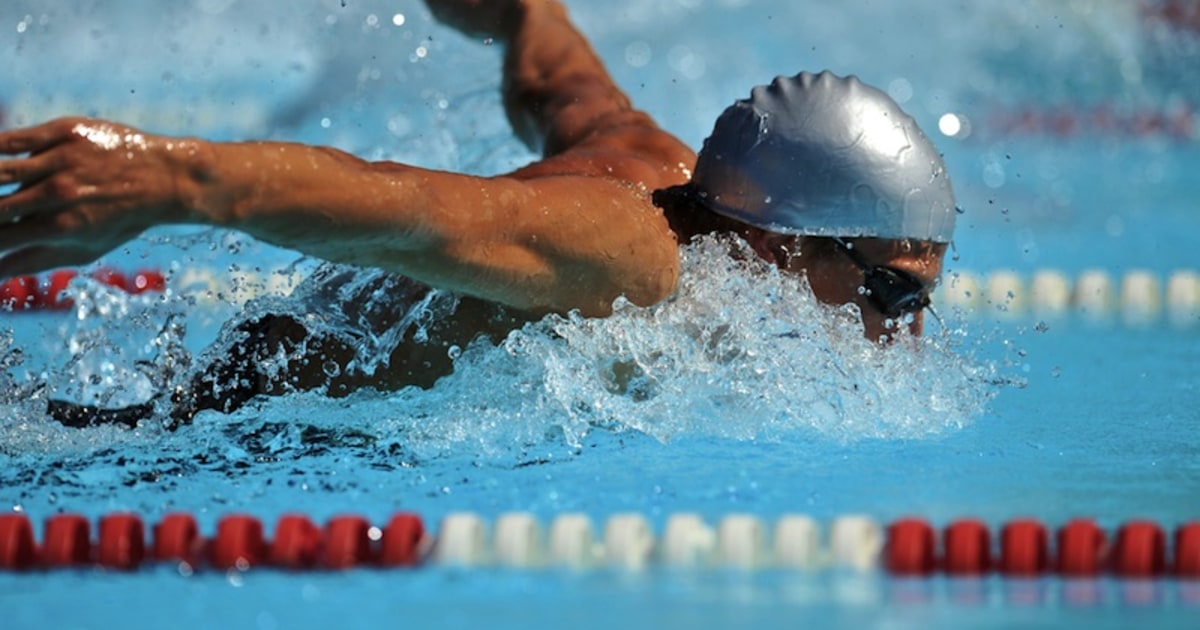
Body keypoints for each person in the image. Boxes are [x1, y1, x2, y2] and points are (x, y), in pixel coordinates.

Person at [0, 0, 956, 429]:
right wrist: (173, 180)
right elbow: (421, 213)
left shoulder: (661, 162)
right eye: (888, 294)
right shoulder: (635, 257)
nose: (899, 338)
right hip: (234, 425)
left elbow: (560, 74)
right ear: (772, 241)